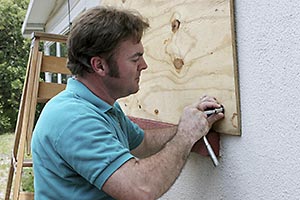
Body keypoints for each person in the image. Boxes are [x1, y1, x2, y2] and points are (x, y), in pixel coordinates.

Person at [31, 6, 224, 200]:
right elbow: (140, 189)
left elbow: (143, 143)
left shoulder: (104, 107)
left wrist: (188, 124)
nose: (144, 65)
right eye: (135, 59)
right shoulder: (73, 118)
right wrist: (185, 136)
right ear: (99, 66)